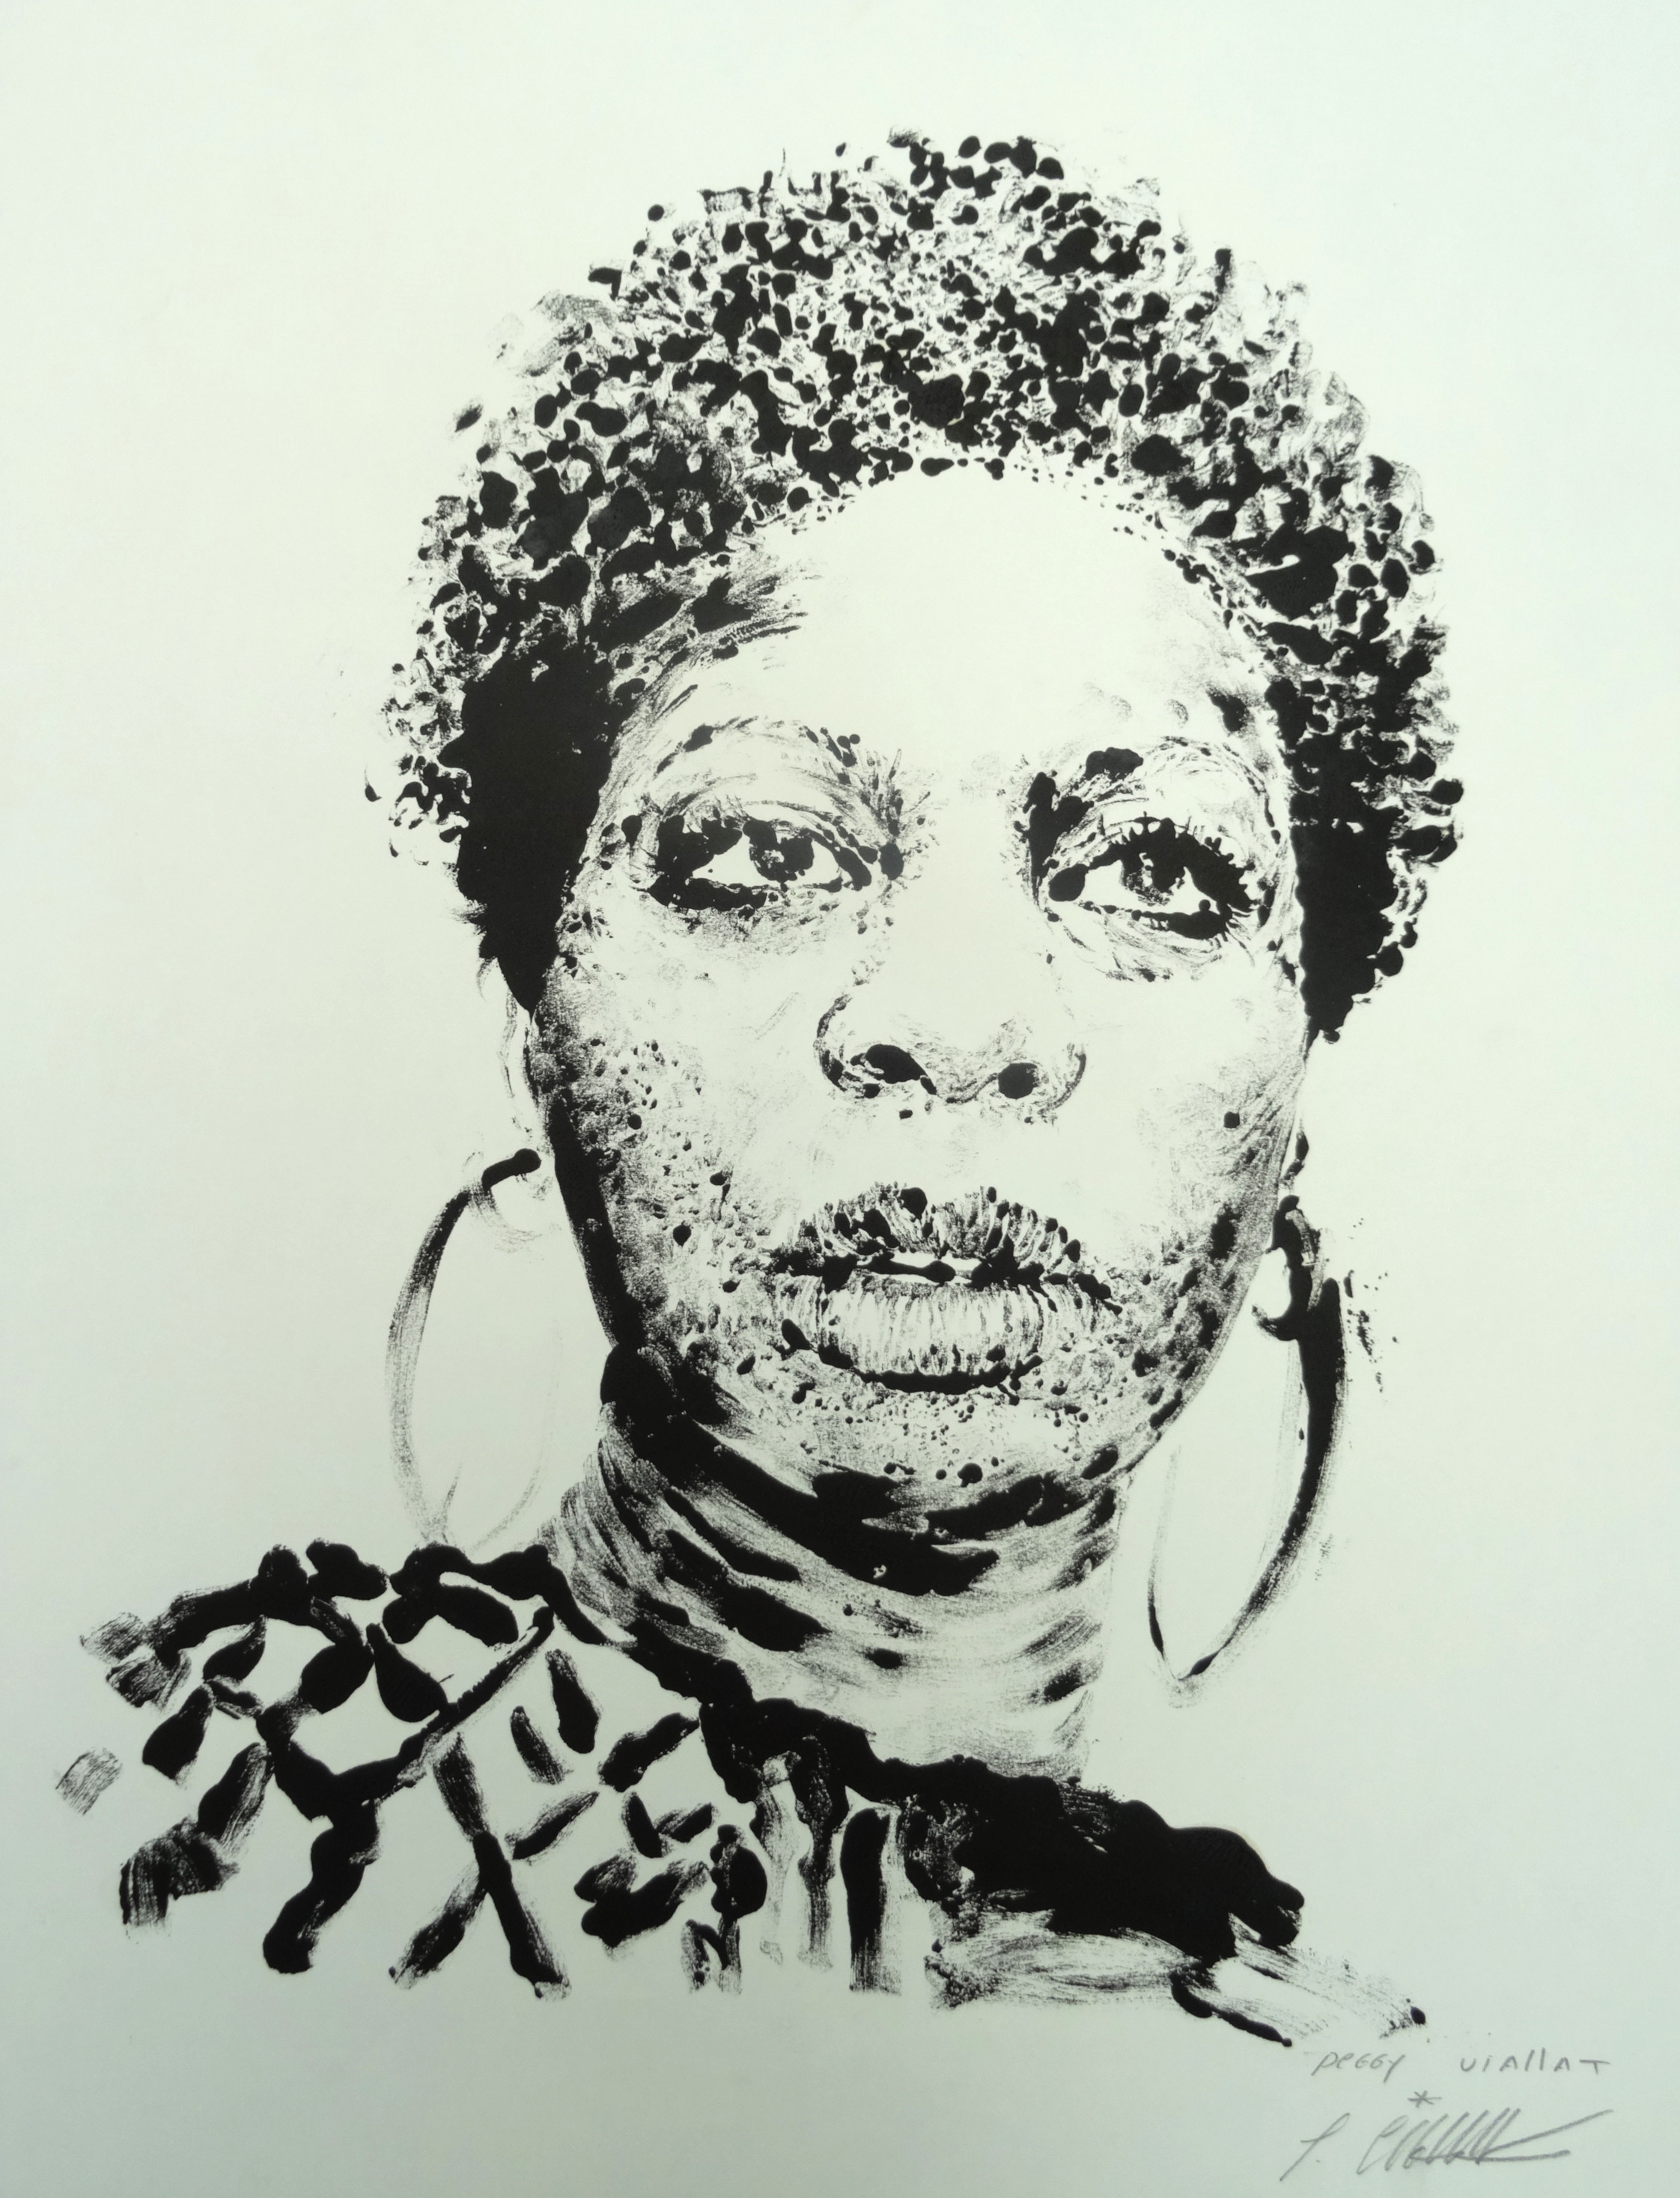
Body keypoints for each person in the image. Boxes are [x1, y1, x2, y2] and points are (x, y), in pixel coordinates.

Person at [74, 131, 1456, 2038]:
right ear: (537, 1021)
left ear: (1302, 1059)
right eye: (759, 854)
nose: (956, 1023)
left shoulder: (1326, 2066)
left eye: (1153, 869)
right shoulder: (170, 1808)